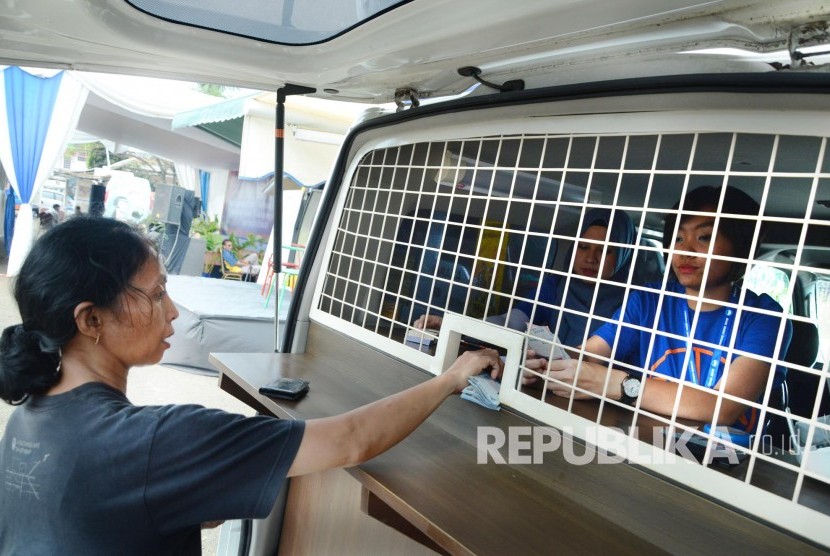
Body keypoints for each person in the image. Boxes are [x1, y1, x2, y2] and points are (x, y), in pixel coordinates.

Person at [0, 217, 501, 553]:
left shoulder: (28, 419)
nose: (172, 311)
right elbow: (351, 439)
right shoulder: (154, 441)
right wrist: (453, 377)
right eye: (155, 295)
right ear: (90, 320)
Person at [529, 186, 792, 432]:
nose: (684, 250)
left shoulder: (764, 318)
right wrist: (539, 363)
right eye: (677, 238)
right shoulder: (649, 300)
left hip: (724, 464)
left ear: (742, 248)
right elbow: (590, 355)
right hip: (646, 446)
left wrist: (614, 384)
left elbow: (723, 407)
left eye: (704, 237)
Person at [413, 207, 636, 347]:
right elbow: (511, 321)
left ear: (624, 255)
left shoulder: (635, 304)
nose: (590, 258)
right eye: (583, 247)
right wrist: (451, 324)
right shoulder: (557, 286)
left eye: (605, 250)